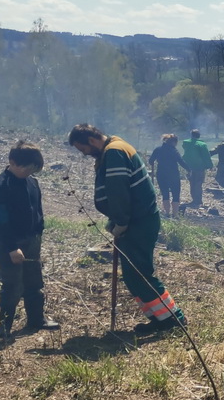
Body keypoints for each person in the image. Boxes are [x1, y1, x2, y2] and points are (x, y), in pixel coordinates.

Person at [69, 124, 186, 335]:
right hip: (135, 220)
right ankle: (159, 318)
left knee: (141, 273)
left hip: (138, 222)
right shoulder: (114, 148)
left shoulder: (114, 152)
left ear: (92, 140)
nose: (84, 154)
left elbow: (118, 190)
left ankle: (174, 319)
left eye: (83, 149)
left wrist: (121, 221)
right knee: (132, 276)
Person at [0, 140, 59, 338]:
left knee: (34, 281)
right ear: (12, 162)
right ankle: (4, 327)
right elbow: (0, 221)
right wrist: (12, 248)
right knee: (13, 285)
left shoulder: (32, 182)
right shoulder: (0, 186)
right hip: (7, 242)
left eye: (33, 169)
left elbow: (37, 210)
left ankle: (36, 319)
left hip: (31, 239)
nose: (29, 172)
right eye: (26, 168)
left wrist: (38, 232)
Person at [148, 133, 189, 216]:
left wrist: (153, 163)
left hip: (161, 174)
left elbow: (151, 161)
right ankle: (175, 214)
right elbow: (181, 162)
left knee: (165, 194)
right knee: (175, 194)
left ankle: (167, 213)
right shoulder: (174, 151)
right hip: (173, 175)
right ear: (174, 142)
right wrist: (189, 169)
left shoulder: (158, 149)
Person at [181, 129, 213, 207]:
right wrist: (210, 165)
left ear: (191, 135)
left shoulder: (186, 143)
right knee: (198, 184)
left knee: (192, 183)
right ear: (199, 136)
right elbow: (206, 156)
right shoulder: (202, 145)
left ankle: (194, 200)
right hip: (200, 167)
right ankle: (198, 201)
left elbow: (185, 147)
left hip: (189, 167)